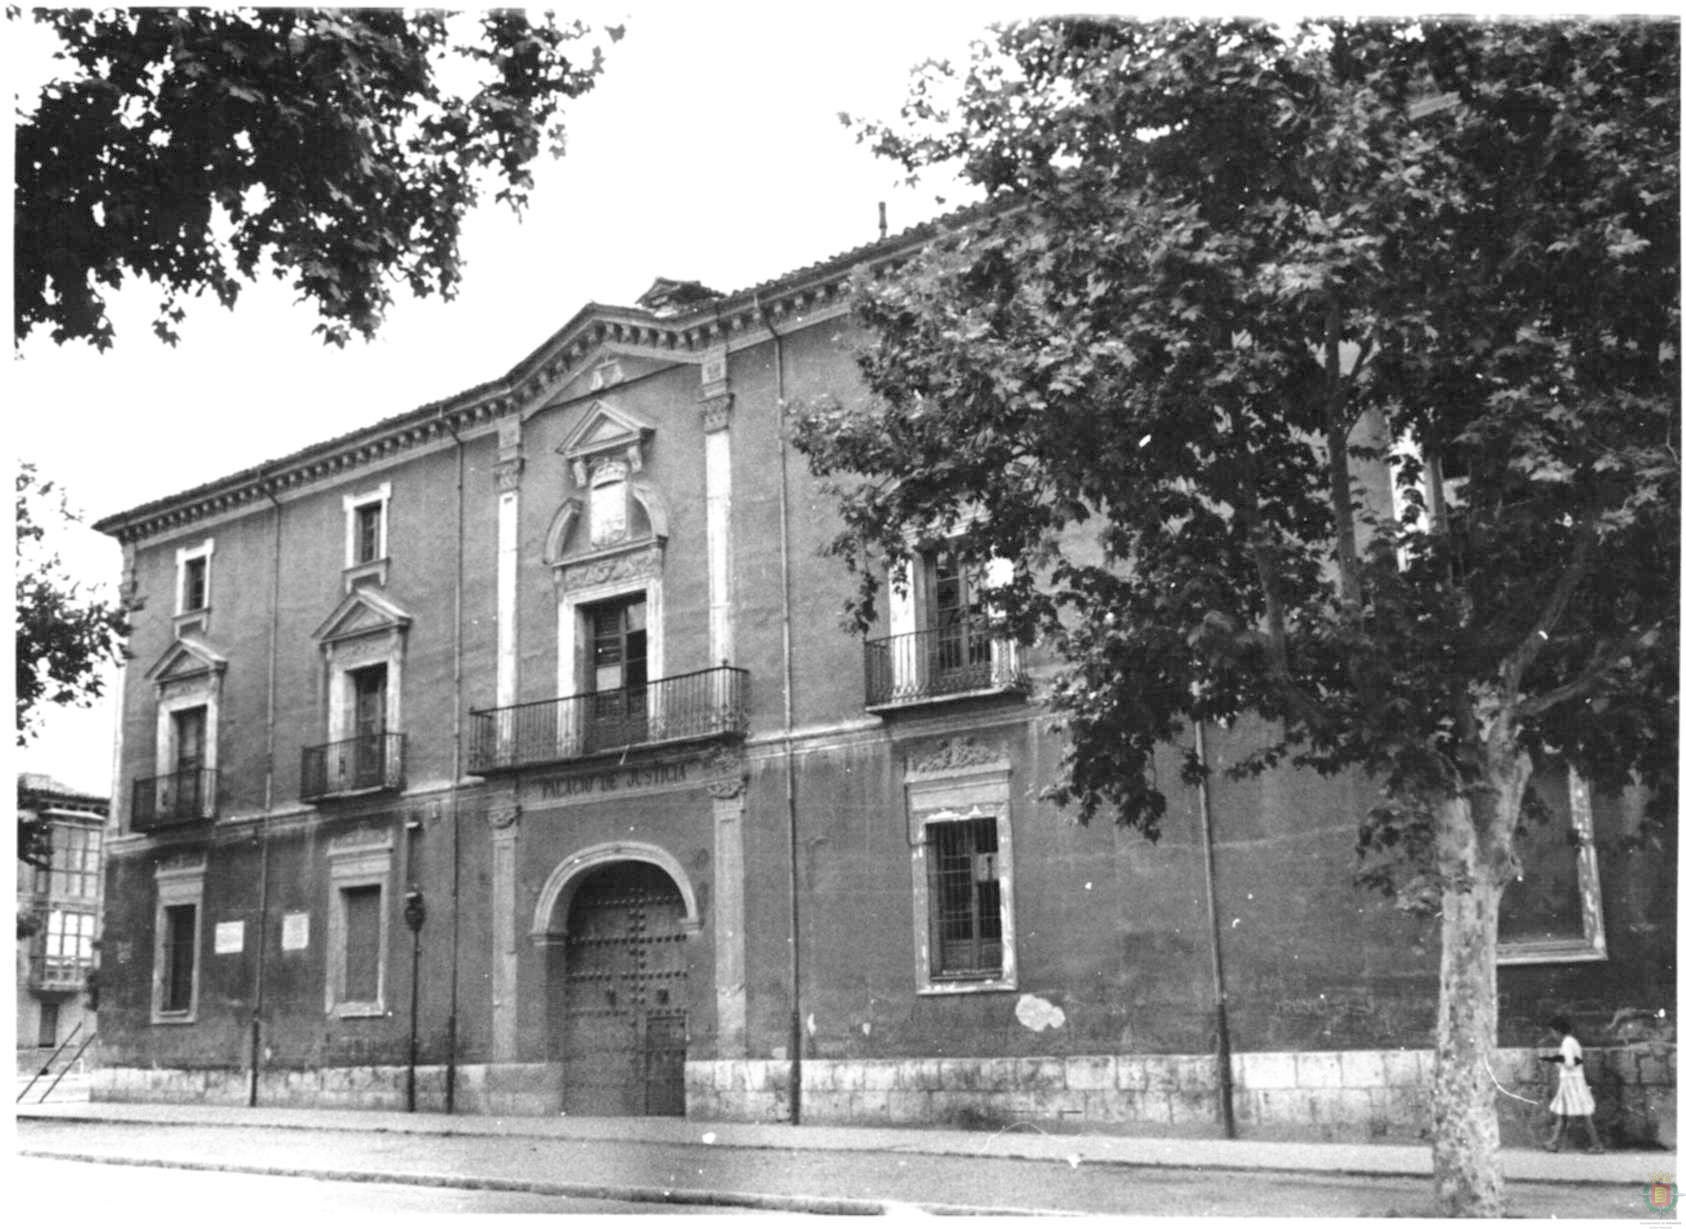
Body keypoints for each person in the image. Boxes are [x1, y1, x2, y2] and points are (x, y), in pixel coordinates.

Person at [1541, 1014, 1604, 1153]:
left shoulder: (1567, 1043)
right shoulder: (1572, 1042)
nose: (1552, 1035)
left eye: (1552, 1031)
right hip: (1573, 1081)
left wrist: (1557, 1062)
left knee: (1581, 1114)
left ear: (1557, 1031)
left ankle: (1597, 1144)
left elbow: (1569, 1063)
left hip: (1571, 1082)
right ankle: (1554, 1143)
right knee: (1565, 1114)